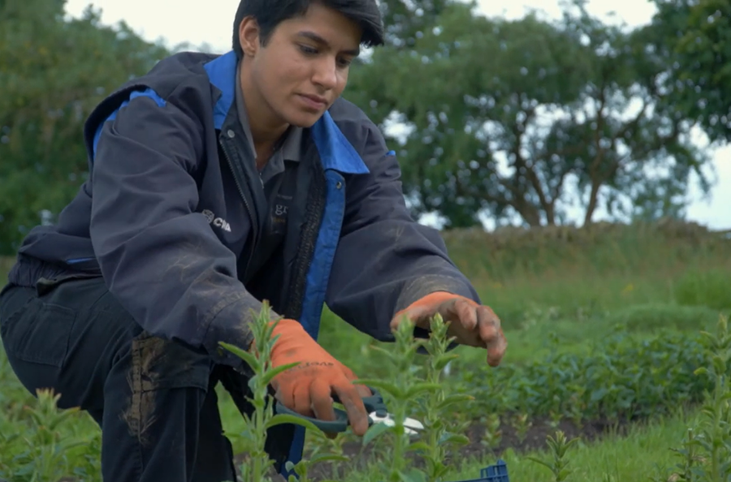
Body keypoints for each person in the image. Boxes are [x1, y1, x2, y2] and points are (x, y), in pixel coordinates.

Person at [0, 0, 507, 480]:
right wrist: (276, 340)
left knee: (198, 444)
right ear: (251, 36)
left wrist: (429, 290)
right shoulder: (158, 112)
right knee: (160, 343)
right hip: (59, 302)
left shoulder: (348, 138)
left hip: (206, 319)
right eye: (310, 49)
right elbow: (158, 251)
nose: (329, 78)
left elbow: (378, 231)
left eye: (343, 59)